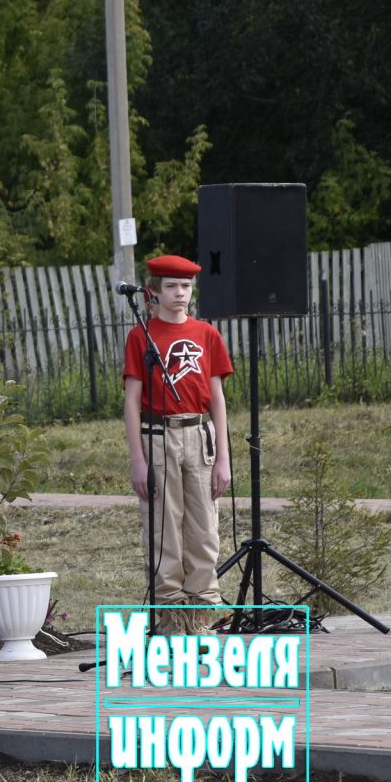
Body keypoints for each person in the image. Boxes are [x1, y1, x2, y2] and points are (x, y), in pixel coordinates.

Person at [123, 254, 234, 636]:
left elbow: (217, 399)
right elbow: (132, 402)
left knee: (204, 531)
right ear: (152, 292)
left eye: (186, 286)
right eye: (171, 286)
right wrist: (138, 459)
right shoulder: (142, 336)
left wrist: (223, 458)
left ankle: (199, 620)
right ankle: (172, 622)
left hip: (198, 435)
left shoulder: (207, 334)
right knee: (164, 530)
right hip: (158, 437)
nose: (180, 293)